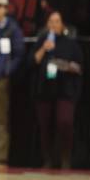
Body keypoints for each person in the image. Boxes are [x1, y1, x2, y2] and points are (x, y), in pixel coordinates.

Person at [30, 11, 83, 169]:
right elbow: (31, 62)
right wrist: (44, 49)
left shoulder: (70, 43)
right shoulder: (41, 41)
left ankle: (65, 157)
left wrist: (62, 65)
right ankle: (48, 159)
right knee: (44, 125)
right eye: (51, 21)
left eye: (57, 21)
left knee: (64, 122)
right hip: (44, 89)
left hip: (65, 89)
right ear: (47, 25)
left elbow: (78, 66)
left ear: (62, 24)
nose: (53, 24)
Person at [0, 0, 24, 169]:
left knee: (2, 120)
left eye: (0, 6)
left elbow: (19, 54)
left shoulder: (13, 29)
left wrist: (7, 71)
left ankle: (2, 159)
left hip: (0, 79)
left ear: (6, 9)